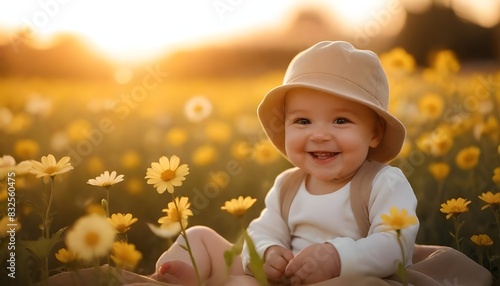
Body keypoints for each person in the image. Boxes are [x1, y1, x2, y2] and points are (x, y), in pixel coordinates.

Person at [153, 41, 419, 286]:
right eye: (303, 121)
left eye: (340, 120)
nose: (319, 135)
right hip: (285, 279)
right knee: (199, 236)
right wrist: (267, 251)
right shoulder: (287, 186)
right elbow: (261, 231)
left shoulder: (382, 183)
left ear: (374, 133)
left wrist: (338, 259)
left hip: (347, 279)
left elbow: (396, 244)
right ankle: (166, 279)